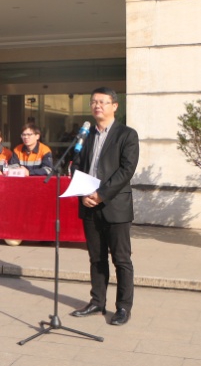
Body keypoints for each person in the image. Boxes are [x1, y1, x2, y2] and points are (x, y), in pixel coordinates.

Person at [69, 87, 139, 326]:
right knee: (96, 258)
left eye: (102, 102)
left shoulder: (127, 135)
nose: (97, 105)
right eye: (93, 102)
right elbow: (76, 165)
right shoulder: (85, 136)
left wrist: (101, 195)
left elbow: (126, 170)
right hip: (89, 204)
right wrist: (83, 194)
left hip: (115, 205)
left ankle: (123, 307)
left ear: (114, 106)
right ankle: (97, 302)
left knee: (121, 259)